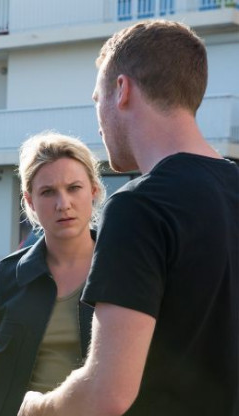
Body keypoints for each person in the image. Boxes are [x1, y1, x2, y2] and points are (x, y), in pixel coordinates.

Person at [18, 20, 238, 416]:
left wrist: (38, 407)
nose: (98, 120)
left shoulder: (138, 207)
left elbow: (107, 393)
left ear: (122, 90)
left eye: (97, 98)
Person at [0, 132, 105, 416]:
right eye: (48, 192)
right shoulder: (6, 277)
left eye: (74, 188)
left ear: (93, 190)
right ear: (30, 201)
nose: (63, 203)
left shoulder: (121, 270)